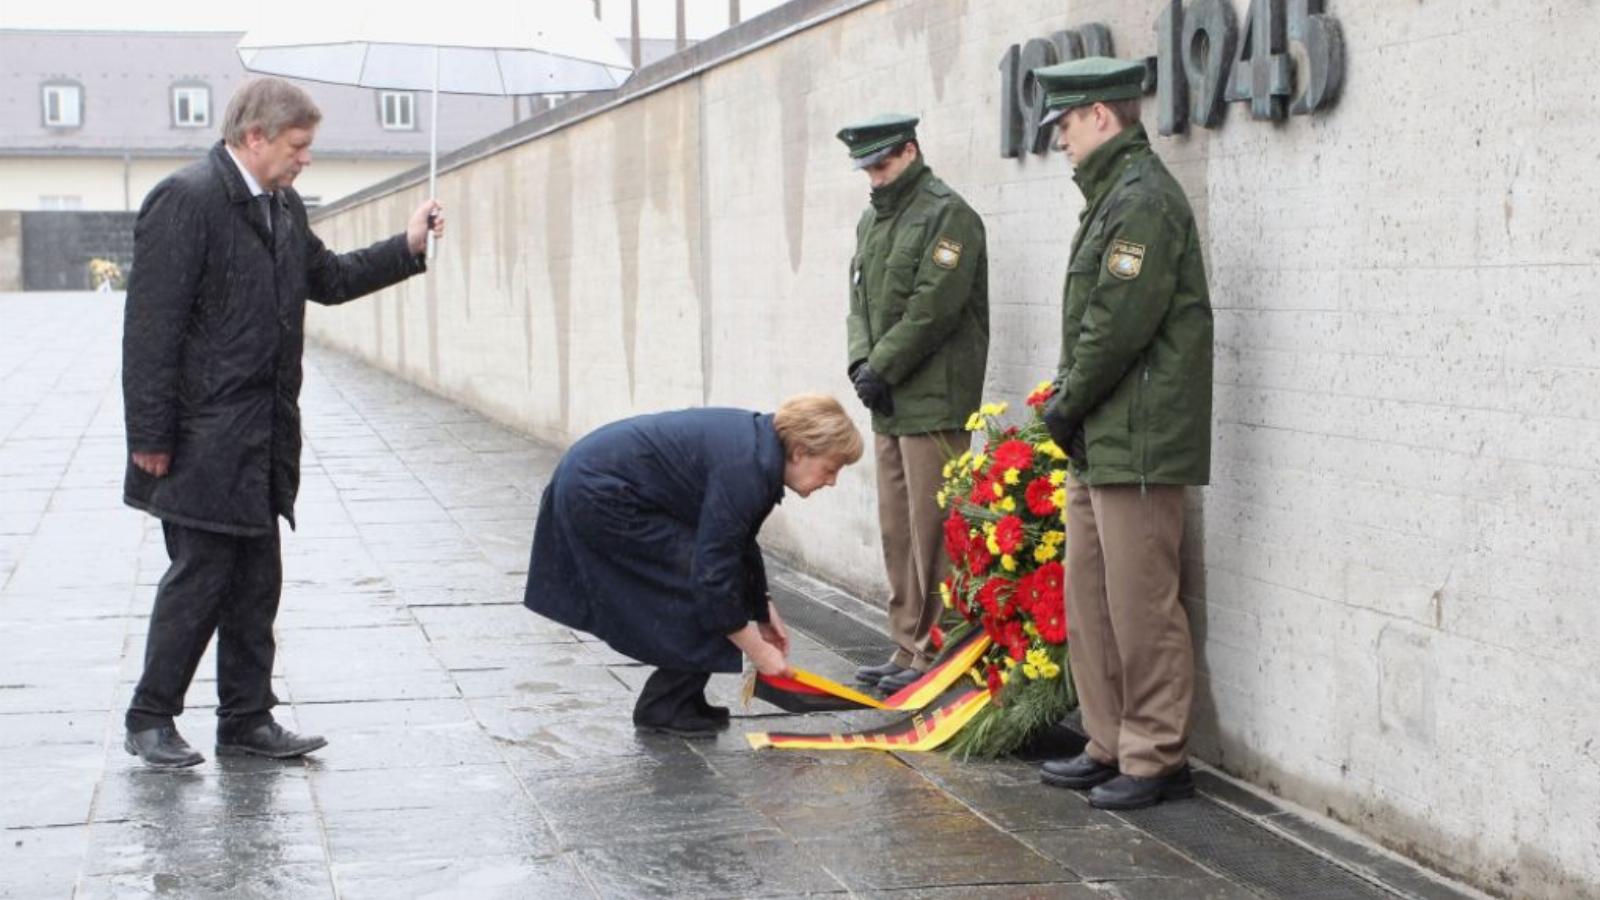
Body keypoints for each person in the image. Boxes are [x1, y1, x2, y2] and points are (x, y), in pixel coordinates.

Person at [120, 77, 445, 768]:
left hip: (262, 438)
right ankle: (150, 717)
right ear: (255, 136)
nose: (305, 160)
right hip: (200, 438)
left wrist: (408, 244)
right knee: (200, 577)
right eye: (298, 146)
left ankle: (247, 718)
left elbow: (327, 279)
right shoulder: (188, 199)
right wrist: (149, 435)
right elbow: (150, 330)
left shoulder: (282, 206)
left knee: (256, 583)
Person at [1028, 58, 1214, 810]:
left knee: (1142, 605)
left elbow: (1115, 325)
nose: (1061, 141)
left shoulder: (1141, 201)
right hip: (1099, 434)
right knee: (1093, 600)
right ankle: (1107, 740)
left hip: (1135, 438)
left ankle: (1158, 755)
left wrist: (1065, 403)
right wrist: (1072, 410)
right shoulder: (1111, 198)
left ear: (1101, 116)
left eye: (1066, 125)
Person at [523, 394, 864, 738]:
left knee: (717, 581)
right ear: (800, 451)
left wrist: (762, 606)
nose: (832, 481)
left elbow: (738, 539)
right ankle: (664, 707)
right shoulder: (748, 468)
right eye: (831, 468)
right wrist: (759, 652)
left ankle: (680, 700)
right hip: (600, 494)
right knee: (704, 585)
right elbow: (713, 575)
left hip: (598, 479)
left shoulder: (760, 452)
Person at [836, 114, 989, 694]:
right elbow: (858, 300)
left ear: (911, 151)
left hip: (934, 397)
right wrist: (860, 362)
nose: (874, 178)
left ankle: (939, 653)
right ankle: (907, 646)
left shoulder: (947, 214)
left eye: (882, 164)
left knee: (935, 530)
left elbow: (934, 306)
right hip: (889, 396)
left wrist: (882, 365)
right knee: (898, 528)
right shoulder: (874, 222)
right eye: (866, 169)